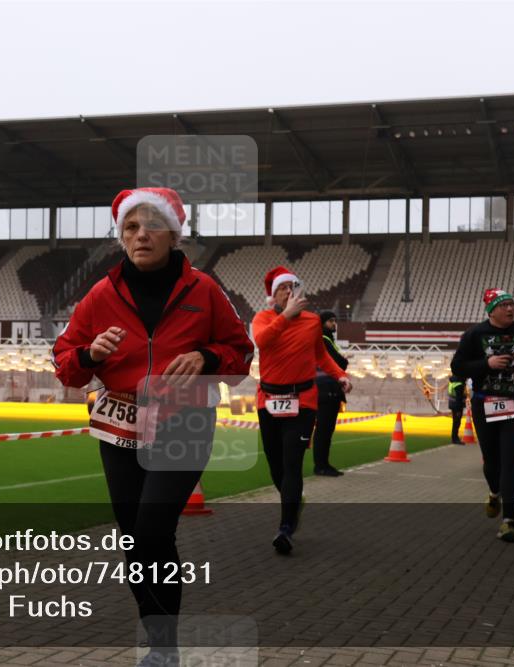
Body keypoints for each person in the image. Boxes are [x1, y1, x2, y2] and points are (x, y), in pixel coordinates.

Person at [52, 187, 253, 666]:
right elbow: (64, 362)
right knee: (134, 538)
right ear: (121, 236)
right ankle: (158, 635)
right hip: (118, 426)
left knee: (151, 532)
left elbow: (240, 353)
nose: (141, 235)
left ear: (173, 234)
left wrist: (207, 357)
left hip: (183, 424)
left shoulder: (202, 290)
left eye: (151, 225)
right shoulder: (101, 295)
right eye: (131, 227)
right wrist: (90, 354)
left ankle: (163, 649)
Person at [252, 267, 352, 555]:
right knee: (276, 467)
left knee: (292, 464)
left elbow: (321, 355)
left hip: (303, 401)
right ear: (274, 295)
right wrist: (285, 316)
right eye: (283, 288)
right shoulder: (263, 318)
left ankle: (285, 528)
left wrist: (339, 376)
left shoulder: (311, 323)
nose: (290, 292)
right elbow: (262, 341)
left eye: (294, 287)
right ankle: (293, 501)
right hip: (268, 399)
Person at [451, 288, 514, 544]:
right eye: (504, 305)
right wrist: (485, 365)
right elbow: (457, 367)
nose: (510, 309)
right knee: (492, 460)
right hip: (485, 404)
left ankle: (509, 521)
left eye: (512, 304)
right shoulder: (475, 334)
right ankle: (494, 492)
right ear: (491, 310)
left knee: (511, 461)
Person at [313, 310, 349, 476]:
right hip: (325, 389)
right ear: (322, 323)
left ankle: (323, 464)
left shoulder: (328, 340)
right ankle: (321, 465)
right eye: (330, 321)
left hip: (329, 389)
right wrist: (344, 360)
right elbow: (340, 362)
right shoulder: (323, 339)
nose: (334, 324)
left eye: (334, 320)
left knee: (326, 430)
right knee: (324, 430)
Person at [447, 375, 467, 444]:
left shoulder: (452, 383)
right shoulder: (459, 385)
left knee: (455, 422)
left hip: (453, 404)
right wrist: (458, 410)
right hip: (457, 406)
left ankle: (454, 437)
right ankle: (455, 438)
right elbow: (459, 399)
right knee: (457, 422)